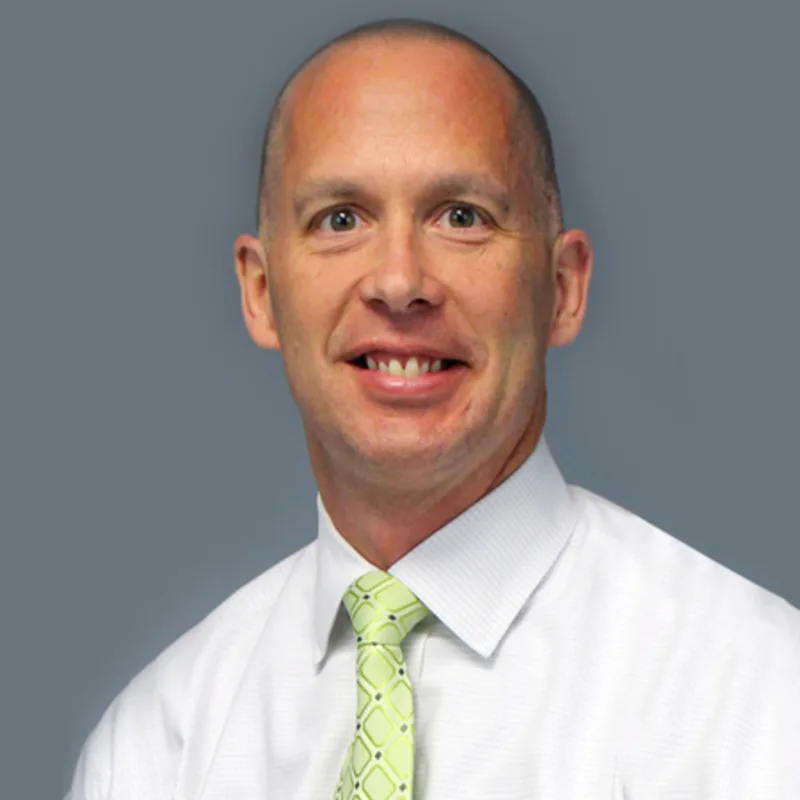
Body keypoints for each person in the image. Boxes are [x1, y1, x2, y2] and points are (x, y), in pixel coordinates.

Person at [67, 17, 800, 800]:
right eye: (340, 219)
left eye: (461, 216)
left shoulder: (760, 700)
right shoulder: (153, 749)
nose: (398, 280)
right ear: (260, 292)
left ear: (562, 288)